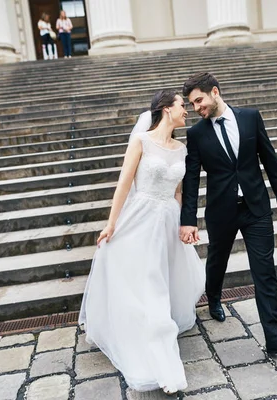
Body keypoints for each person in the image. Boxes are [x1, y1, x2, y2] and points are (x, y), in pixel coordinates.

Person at [79, 90, 205, 395]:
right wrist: (111, 224)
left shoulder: (181, 150)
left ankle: (158, 337)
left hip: (168, 220)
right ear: (165, 109)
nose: (186, 110)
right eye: (181, 106)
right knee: (150, 284)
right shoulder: (141, 142)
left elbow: (179, 193)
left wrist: (186, 224)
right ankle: (160, 362)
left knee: (162, 280)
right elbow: (124, 184)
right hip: (141, 218)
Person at [179, 72, 277, 355]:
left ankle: (275, 338)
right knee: (217, 261)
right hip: (221, 211)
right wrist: (188, 219)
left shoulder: (250, 117)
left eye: (199, 100)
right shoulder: (196, 134)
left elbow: (269, 157)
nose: (197, 108)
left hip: (255, 208)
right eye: (192, 104)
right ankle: (213, 299)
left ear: (214, 92)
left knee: (265, 272)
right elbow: (190, 179)